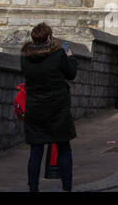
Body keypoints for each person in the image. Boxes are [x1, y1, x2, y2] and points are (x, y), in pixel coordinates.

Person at [20, 22, 77, 192]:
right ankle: (67, 187)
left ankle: (33, 188)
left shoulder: (25, 57)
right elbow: (71, 73)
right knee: (63, 148)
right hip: (57, 107)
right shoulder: (59, 54)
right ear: (49, 37)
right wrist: (70, 55)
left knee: (36, 151)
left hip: (35, 108)